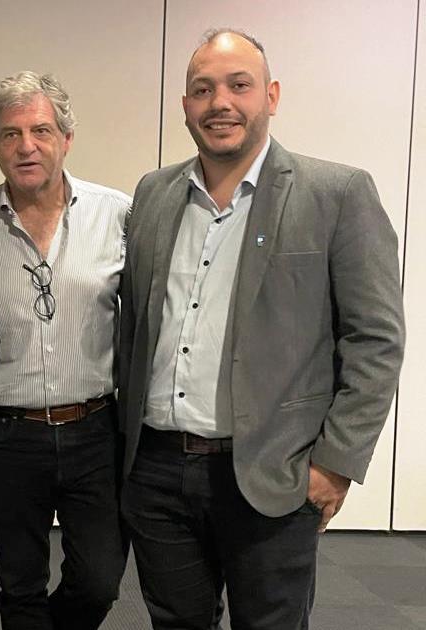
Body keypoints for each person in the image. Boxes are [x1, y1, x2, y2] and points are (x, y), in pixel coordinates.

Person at [118, 28, 405, 629]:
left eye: (239, 85)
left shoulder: (337, 193)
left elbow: (376, 341)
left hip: (275, 474)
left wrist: (336, 463)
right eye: (203, 90)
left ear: (271, 95)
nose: (220, 102)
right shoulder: (154, 192)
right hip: (159, 473)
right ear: (185, 106)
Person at [0, 71, 128, 630]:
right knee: (20, 583)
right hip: (8, 431)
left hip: (95, 430)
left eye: (41, 130)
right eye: (10, 134)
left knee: (99, 580)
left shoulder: (118, 214)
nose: (26, 146)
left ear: (66, 138)